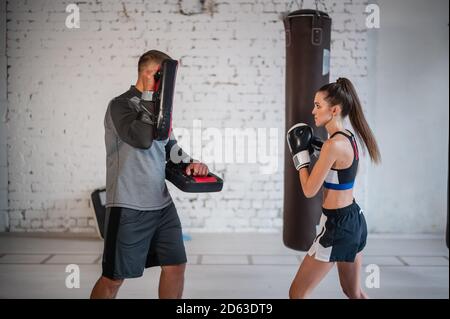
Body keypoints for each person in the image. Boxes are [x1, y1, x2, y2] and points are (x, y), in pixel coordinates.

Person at [90, 50, 208, 299]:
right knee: (114, 278)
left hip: (161, 206)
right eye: (162, 78)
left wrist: (191, 163)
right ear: (149, 74)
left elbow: (170, 148)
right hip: (128, 207)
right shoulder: (120, 105)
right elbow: (143, 140)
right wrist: (149, 95)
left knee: (176, 266)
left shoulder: (160, 109)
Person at [286, 77, 381, 299]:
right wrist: (316, 148)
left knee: (297, 293)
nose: (313, 111)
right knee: (353, 292)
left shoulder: (332, 145)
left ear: (335, 109)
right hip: (354, 219)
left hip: (337, 226)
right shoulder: (347, 138)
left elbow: (309, 190)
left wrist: (300, 158)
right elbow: (338, 170)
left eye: (318, 106)